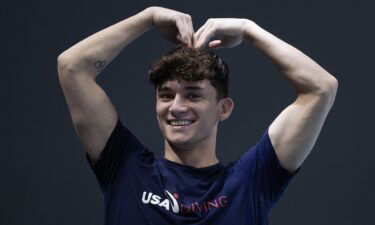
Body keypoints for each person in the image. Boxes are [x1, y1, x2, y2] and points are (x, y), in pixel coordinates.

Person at [57, 6, 338, 225]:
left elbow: (321, 87)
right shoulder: (124, 167)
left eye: (193, 95)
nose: (177, 106)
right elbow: (72, 66)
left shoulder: (251, 180)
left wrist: (248, 29)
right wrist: (148, 17)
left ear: (223, 108)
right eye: (166, 95)